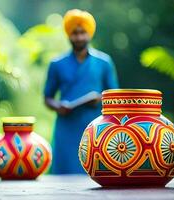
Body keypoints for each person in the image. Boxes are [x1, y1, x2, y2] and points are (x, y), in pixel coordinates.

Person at [44, 9, 119, 174]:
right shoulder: (57, 64)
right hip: (66, 126)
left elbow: (115, 96)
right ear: (68, 35)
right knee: (64, 174)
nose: (79, 37)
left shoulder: (104, 62)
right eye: (75, 33)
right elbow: (47, 97)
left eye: (82, 32)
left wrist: (98, 99)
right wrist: (58, 106)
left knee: (97, 171)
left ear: (89, 34)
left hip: (96, 126)